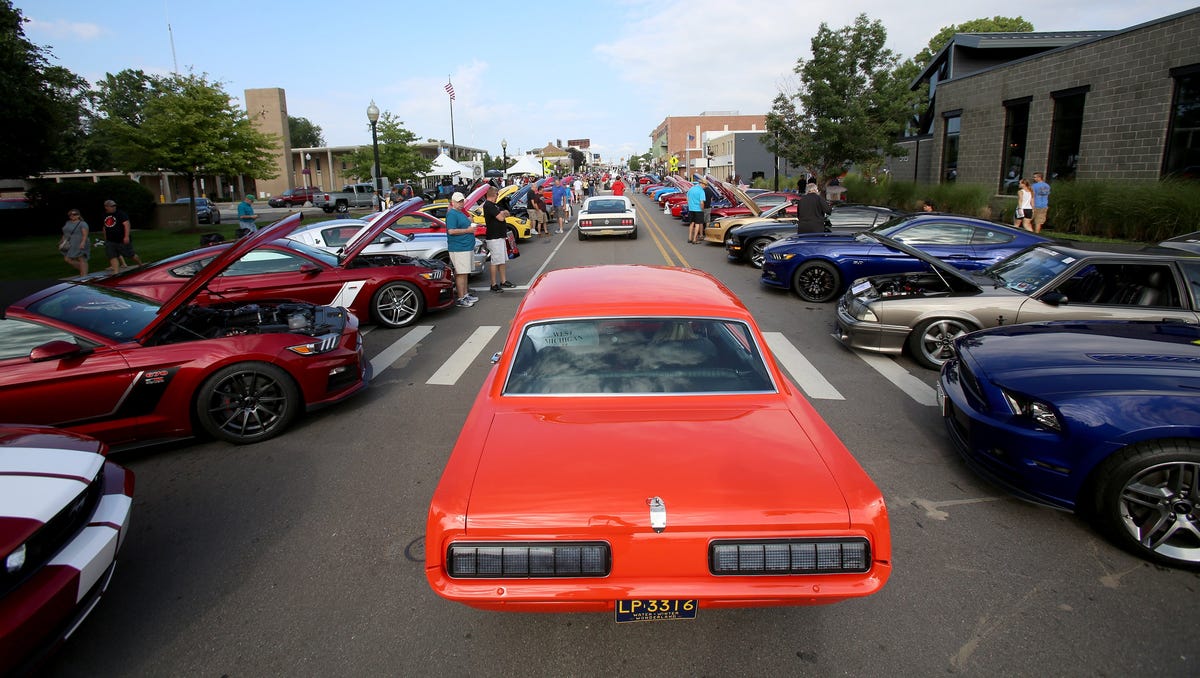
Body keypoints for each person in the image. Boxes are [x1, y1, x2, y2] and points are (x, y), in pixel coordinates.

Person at [445, 192, 477, 307]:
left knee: (465, 272)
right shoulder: (452, 214)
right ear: (453, 202)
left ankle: (465, 294)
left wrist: (470, 228)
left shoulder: (460, 212)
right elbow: (451, 231)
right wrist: (467, 231)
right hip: (459, 247)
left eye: (462, 201)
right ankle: (461, 297)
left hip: (465, 246)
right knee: (461, 273)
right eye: (458, 201)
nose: (461, 203)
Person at [482, 186, 515, 292]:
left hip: (500, 236)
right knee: (495, 261)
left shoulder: (495, 205)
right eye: (497, 195)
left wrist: (503, 213)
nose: (497, 197)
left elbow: (507, 212)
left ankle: (503, 281)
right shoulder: (488, 205)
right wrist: (502, 214)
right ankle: (493, 284)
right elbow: (501, 217)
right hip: (494, 237)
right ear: (493, 194)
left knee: (501, 260)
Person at [101, 199, 141, 274]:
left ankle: (140, 264)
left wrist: (126, 236)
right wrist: (105, 238)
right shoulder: (104, 215)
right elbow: (104, 227)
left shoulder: (121, 214)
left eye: (114, 206)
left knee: (130, 255)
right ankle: (116, 272)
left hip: (121, 239)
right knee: (112, 255)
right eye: (111, 206)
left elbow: (126, 224)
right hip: (110, 240)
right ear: (106, 207)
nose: (114, 207)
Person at [61, 208, 89, 276]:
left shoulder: (82, 223)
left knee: (81, 258)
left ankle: (84, 275)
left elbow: (85, 234)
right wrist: (62, 241)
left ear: (78, 215)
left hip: (79, 242)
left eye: (74, 214)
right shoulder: (68, 222)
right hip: (69, 242)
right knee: (67, 259)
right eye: (70, 215)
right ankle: (82, 269)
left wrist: (83, 243)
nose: (72, 216)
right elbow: (65, 232)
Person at [686, 179, 706, 244]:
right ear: (702, 184)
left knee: (691, 223)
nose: (705, 187)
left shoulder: (691, 189)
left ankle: (689, 238)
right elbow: (702, 202)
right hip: (698, 209)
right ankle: (694, 239)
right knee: (697, 224)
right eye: (705, 185)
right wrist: (702, 209)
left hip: (691, 209)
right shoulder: (701, 191)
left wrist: (690, 205)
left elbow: (687, 198)